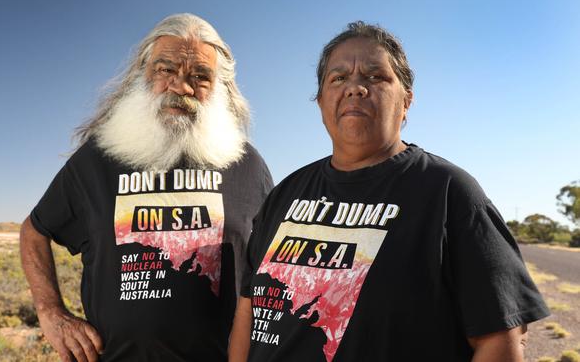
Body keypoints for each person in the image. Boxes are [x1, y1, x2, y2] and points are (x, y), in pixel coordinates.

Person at [229, 21, 549, 362]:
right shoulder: (286, 194)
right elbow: (247, 312)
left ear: (406, 100)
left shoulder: (449, 193)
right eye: (338, 78)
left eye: (375, 76)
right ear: (321, 101)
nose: (356, 88)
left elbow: (501, 339)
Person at [19, 13, 273, 362]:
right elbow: (34, 231)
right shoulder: (99, 158)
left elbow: (273, 268)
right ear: (142, 76)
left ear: (221, 89)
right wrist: (51, 314)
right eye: (165, 70)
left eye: (199, 76)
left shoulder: (245, 165)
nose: (181, 87)